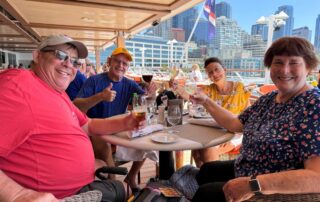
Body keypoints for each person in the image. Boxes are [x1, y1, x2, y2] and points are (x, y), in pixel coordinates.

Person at [0, 35, 144, 202]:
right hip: (62, 197)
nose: (69, 64)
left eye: (75, 61)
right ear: (37, 55)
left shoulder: (57, 93)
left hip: (82, 184)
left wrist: (125, 122)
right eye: (60, 55)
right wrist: (16, 194)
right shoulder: (18, 84)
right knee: (135, 193)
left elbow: (88, 125)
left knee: (130, 190)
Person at [189, 37, 320, 202]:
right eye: (278, 62)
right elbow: (236, 124)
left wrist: (253, 184)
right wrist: (206, 102)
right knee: (206, 171)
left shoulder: (313, 105)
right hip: (249, 167)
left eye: (294, 63)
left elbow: (317, 177)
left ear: (308, 67)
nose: (284, 70)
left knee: (205, 194)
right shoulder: (270, 98)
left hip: (272, 186)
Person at [73, 47, 157, 193]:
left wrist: (152, 95)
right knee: (103, 142)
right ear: (109, 61)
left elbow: (145, 100)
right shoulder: (94, 80)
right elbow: (76, 105)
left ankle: (130, 178)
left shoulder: (129, 83)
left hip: (118, 127)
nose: (121, 66)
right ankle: (116, 187)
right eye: (118, 61)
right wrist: (100, 97)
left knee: (147, 142)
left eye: (125, 64)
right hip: (95, 128)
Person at [173, 57, 251, 167]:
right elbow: (191, 97)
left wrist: (232, 139)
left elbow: (250, 117)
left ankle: (213, 179)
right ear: (209, 77)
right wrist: (177, 88)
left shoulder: (239, 87)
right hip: (215, 130)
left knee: (203, 149)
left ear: (224, 70)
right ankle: (205, 180)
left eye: (217, 69)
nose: (214, 74)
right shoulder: (209, 90)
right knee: (197, 148)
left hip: (236, 131)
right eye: (210, 73)